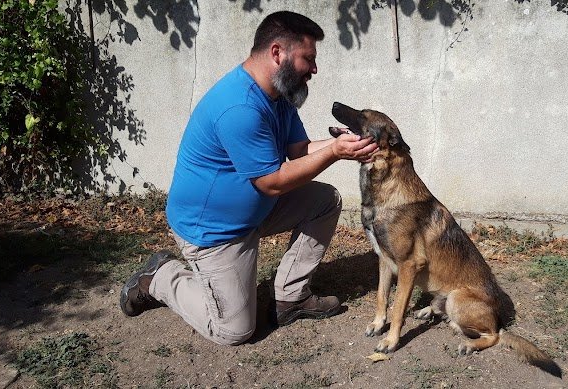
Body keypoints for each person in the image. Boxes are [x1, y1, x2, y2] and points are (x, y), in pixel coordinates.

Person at [118, 11, 377, 346]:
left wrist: (346, 142)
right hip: (214, 232)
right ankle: (160, 277)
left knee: (324, 200)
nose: (314, 69)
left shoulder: (278, 96)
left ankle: (290, 299)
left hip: (254, 213)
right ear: (277, 53)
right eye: (308, 59)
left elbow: (298, 149)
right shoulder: (239, 107)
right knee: (233, 331)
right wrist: (335, 152)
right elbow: (271, 182)